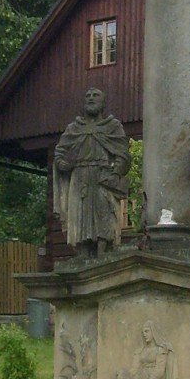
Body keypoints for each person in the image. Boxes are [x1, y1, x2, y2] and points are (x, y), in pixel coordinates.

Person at [53, 88, 129, 259]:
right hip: (79, 176)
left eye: (96, 96)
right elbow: (60, 152)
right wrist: (62, 163)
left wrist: (116, 172)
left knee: (104, 213)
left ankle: (104, 249)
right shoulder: (73, 128)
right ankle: (82, 251)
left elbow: (123, 154)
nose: (91, 98)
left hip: (103, 176)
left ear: (103, 103)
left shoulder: (113, 126)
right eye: (88, 96)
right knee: (79, 215)